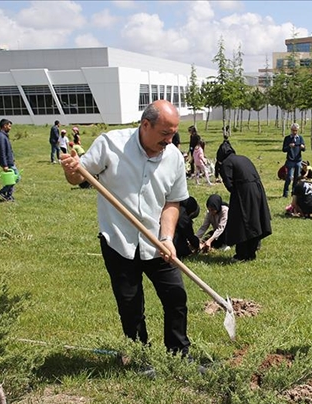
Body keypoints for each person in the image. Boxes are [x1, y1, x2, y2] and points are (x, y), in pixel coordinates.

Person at [60, 99, 192, 355]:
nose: (169, 140)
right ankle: (139, 353)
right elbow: (78, 177)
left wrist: (167, 237)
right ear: (145, 124)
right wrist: (72, 169)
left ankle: (178, 354)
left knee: (176, 296)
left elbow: (172, 202)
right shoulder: (111, 144)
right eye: (164, 134)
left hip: (157, 242)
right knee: (130, 303)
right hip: (118, 240)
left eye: (173, 134)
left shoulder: (174, 157)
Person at [219, 154, 273, 262]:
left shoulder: (227, 162)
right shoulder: (244, 158)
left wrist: (235, 193)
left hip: (244, 193)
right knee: (255, 219)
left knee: (242, 224)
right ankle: (252, 251)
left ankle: (242, 254)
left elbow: (228, 183)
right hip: (258, 190)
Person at [0, 119, 18, 202]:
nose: (10, 128)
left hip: (9, 160)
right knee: (16, 177)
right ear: (4, 126)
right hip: (7, 162)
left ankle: (9, 195)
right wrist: (4, 165)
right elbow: (2, 151)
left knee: (13, 178)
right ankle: (3, 192)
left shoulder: (3, 135)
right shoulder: (1, 137)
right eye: (9, 126)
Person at [282, 123, 305, 198]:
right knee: (289, 177)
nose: (294, 132)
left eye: (296, 130)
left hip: (298, 161)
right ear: (291, 130)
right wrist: (289, 146)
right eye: (293, 130)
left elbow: (304, 149)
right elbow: (284, 150)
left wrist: (302, 147)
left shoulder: (300, 138)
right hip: (290, 160)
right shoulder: (287, 138)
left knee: (296, 178)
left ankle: (294, 193)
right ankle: (285, 193)